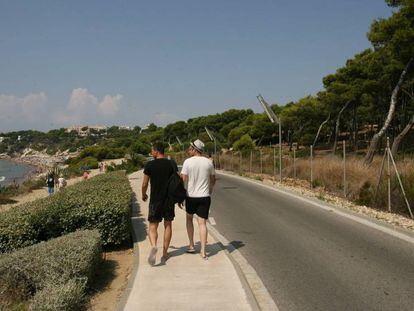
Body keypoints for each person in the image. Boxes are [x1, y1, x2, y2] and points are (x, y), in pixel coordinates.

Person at [142, 141, 178, 265]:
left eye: (152, 150)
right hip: (169, 200)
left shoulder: (150, 165)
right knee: (168, 225)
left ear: (156, 151)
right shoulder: (171, 164)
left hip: (155, 200)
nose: (151, 152)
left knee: (153, 226)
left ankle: (153, 245)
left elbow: (145, 184)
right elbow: (178, 181)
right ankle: (165, 253)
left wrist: (143, 194)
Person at [181, 139, 216, 260]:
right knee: (202, 223)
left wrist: (181, 195)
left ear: (195, 149)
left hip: (191, 197)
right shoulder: (208, 162)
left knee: (189, 219)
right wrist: (210, 189)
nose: (188, 149)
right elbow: (213, 179)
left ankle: (191, 245)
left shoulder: (187, 162)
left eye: (190, 147)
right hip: (204, 196)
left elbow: (183, 180)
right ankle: (203, 251)